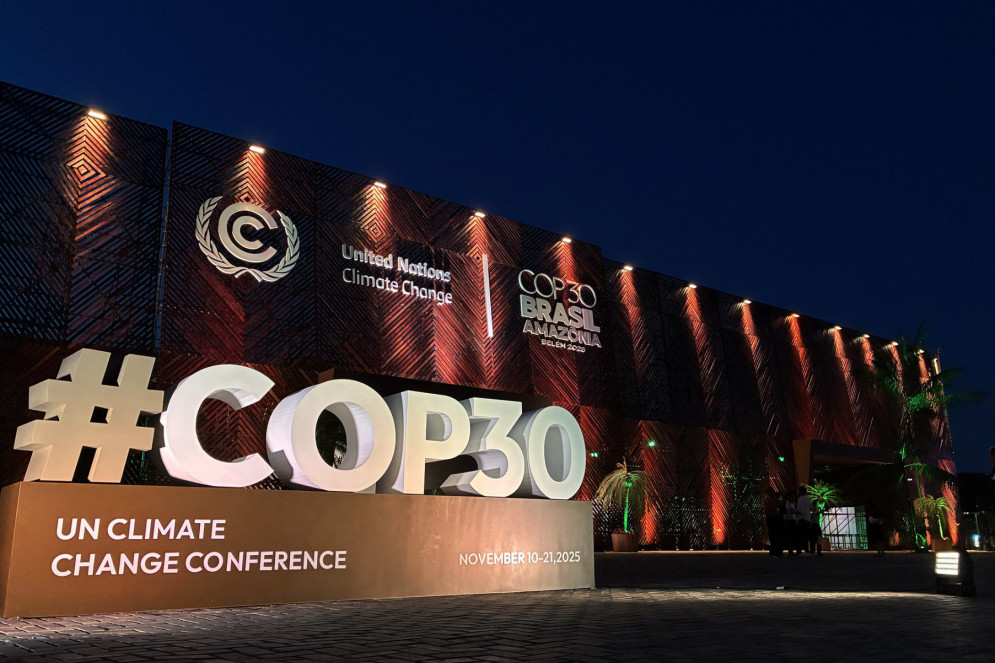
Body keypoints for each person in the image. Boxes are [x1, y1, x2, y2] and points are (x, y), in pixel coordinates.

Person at [763, 489, 783, 557]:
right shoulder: (768, 500)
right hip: (771, 518)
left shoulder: (771, 500)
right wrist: (778, 504)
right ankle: (774, 551)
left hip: (774, 518)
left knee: (775, 535)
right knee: (773, 535)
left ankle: (775, 551)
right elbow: (772, 507)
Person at [795, 487, 811, 555]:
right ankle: (806, 549)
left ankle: (799, 550)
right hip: (807, 519)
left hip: (801, 519)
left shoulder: (800, 499)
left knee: (800, 535)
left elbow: (799, 510)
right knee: (806, 535)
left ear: (801, 492)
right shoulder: (808, 499)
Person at [783, 490, 798, 556]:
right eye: (792, 497)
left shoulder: (792, 503)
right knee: (789, 535)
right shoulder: (787, 503)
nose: (793, 498)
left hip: (793, 520)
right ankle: (790, 550)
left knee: (792, 536)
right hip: (789, 520)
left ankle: (791, 549)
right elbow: (790, 511)